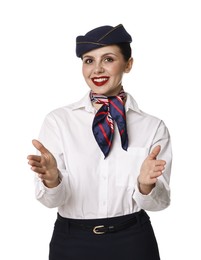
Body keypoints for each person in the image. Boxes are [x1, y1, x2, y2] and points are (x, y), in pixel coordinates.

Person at [27, 24, 172, 260]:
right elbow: (51, 201)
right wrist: (52, 180)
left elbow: (161, 202)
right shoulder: (59, 121)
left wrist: (145, 185)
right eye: (88, 61)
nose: (97, 69)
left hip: (133, 240)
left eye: (108, 59)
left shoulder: (153, 127)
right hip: (73, 242)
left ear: (128, 64)